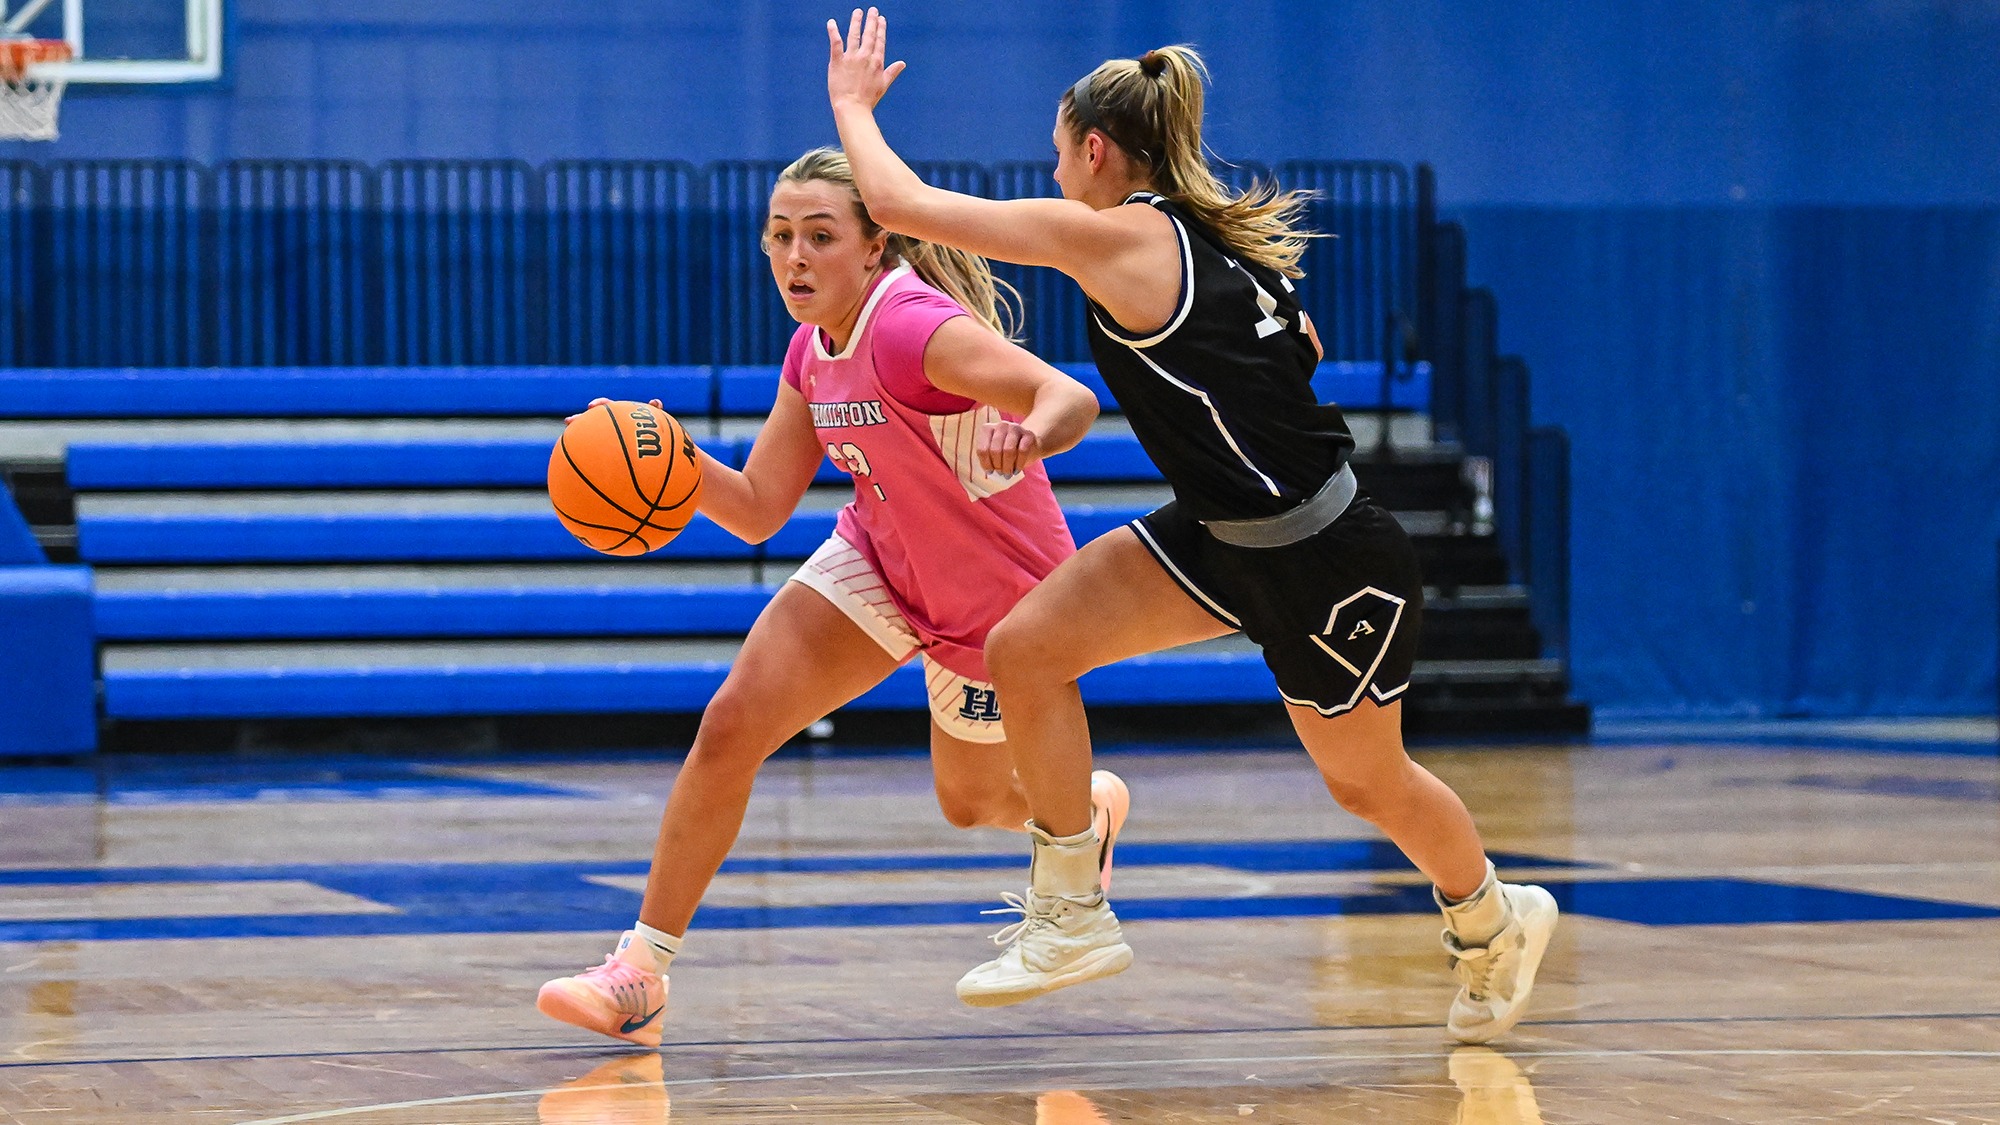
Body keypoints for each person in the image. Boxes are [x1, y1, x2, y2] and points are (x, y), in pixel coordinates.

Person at [826, 11, 1558, 1043]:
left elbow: (899, 205)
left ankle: (1490, 919)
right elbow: (1294, 345)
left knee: (1367, 782)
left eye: (1054, 151)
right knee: (1024, 650)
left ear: (1092, 151)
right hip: (1220, 534)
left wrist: (851, 108)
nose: (1053, 169)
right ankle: (1070, 913)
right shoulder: (1217, 247)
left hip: (1324, 558)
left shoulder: (1119, 233)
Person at [535, 146, 1127, 1048]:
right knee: (731, 725)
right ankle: (639, 971)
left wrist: (1036, 432)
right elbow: (760, 508)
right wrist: (671, 457)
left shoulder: (911, 328)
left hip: (996, 604)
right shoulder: (813, 348)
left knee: (970, 804)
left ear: (875, 245)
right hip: (883, 561)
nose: (795, 257)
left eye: (820, 235)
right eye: (780, 237)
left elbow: (1067, 393)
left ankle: (1081, 814)